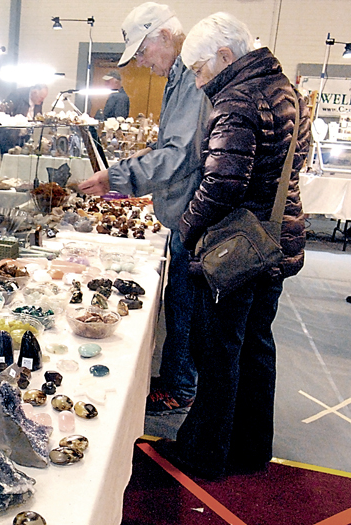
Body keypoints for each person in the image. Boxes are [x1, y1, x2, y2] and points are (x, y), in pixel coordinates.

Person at [159, 12, 309, 479]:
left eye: (200, 69)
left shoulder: (237, 99)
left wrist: (185, 229)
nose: (199, 81)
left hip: (237, 249)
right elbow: (295, 161)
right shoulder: (286, 90)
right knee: (256, 346)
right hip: (275, 240)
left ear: (224, 56)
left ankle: (204, 454)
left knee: (218, 351)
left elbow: (221, 184)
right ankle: (250, 449)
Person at [78, 2, 211, 414]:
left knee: (185, 305)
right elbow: (173, 145)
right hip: (184, 211)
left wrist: (118, 176)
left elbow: (180, 156)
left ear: (166, 37)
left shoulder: (191, 79)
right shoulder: (178, 77)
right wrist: (141, 160)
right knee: (180, 301)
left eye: (142, 51)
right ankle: (177, 380)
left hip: (193, 214)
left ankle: (180, 387)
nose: (140, 61)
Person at [0, 84, 49, 155]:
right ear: (34, 92)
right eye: (41, 98)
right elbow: (3, 114)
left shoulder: (38, 102)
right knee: (10, 157)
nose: (42, 101)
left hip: (26, 135)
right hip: (10, 135)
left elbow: (38, 116)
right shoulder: (17, 95)